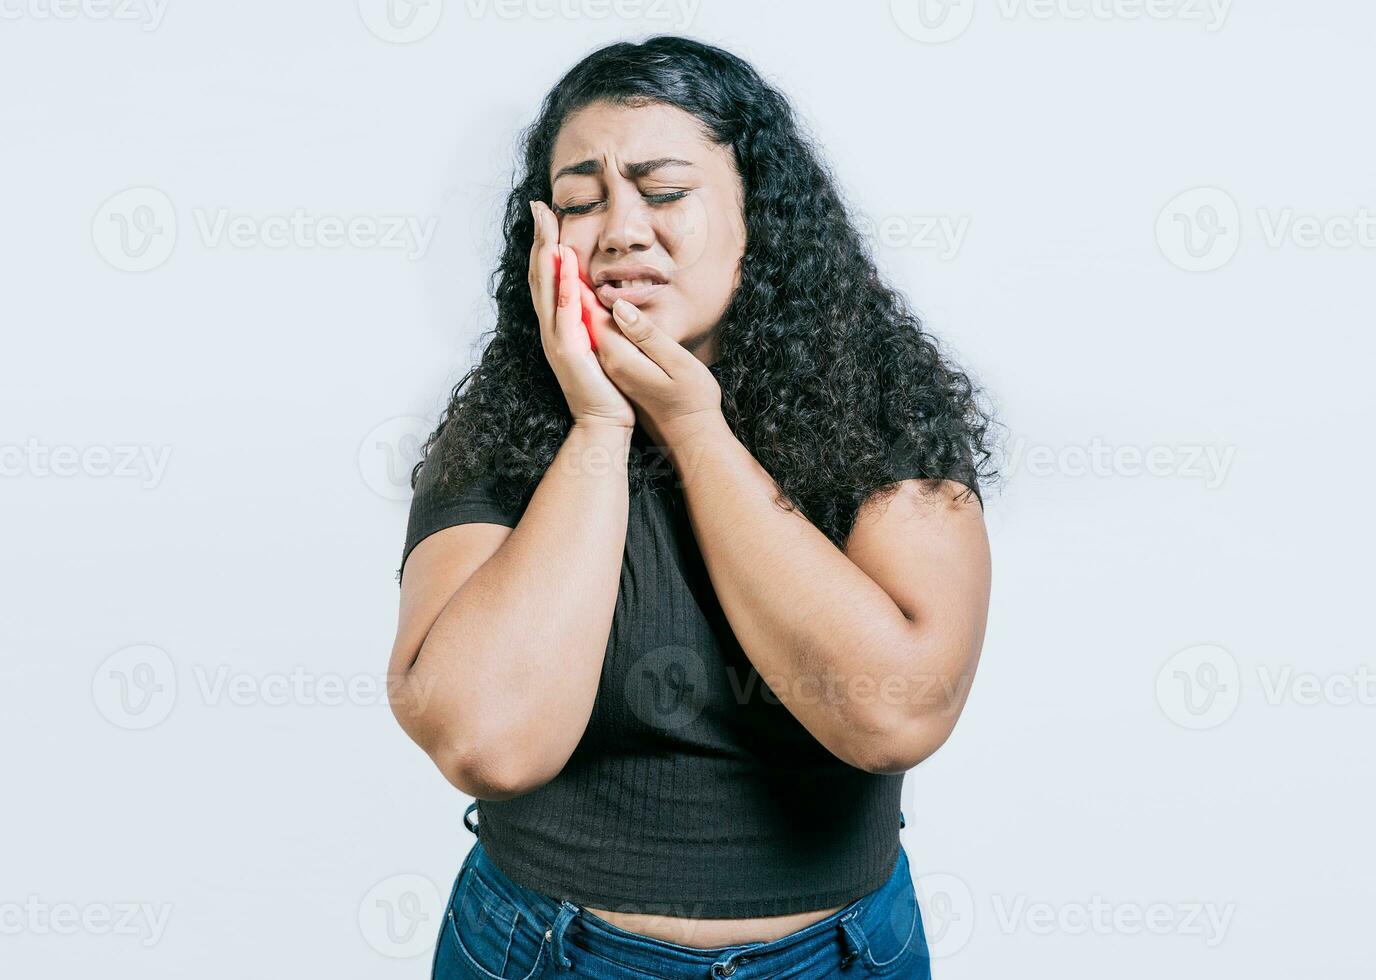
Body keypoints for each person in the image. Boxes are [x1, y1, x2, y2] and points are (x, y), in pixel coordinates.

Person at [388, 34, 995, 980]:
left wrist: (695, 430)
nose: (621, 229)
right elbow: (486, 743)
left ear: (761, 211)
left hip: (839, 957)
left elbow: (894, 715)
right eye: (582, 202)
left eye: (664, 192)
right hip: (545, 952)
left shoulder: (882, 413)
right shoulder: (502, 429)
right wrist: (598, 426)